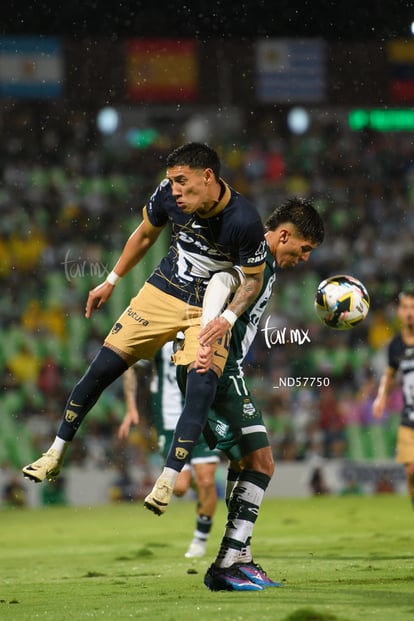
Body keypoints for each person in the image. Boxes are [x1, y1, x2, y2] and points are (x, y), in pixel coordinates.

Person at [22, 142, 266, 510]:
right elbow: (145, 235)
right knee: (101, 369)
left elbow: (252, 281)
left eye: (182, 182)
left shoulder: (244, 219)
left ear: (208, 177)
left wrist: (228, 318)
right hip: (163, 291)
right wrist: (111, 280)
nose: (175, 191)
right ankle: (55, 453)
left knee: (200, 388)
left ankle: (166, 480)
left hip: (209, 308)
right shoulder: (167, 196)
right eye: (171, 182)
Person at [177, 197, 324, 590]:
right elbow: (212, 283)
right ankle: (226, 563)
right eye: (304, 248)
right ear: (284, 235)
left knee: (246, 464)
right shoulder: (250, 257)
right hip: (217, 368)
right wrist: (203, 344)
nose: (305, 258)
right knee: (262, 462)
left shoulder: (267, 264)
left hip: (228, 369)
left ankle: (240, 558)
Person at [119, 340, 220, 558]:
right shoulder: (163, 329)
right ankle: (196, 480)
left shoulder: (205, 326)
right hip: (169, 420)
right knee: (181, 487)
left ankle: (200, 540)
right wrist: (131, 406)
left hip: (204, 416)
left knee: (207, 480)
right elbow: (131, 365)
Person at [372, 288, 414, 508]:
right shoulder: (396, 345)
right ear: (399, 311)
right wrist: (381, 398)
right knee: (410, 471)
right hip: (409, 416)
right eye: (405, 307)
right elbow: (389, 374)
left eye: (413, 307)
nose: (409, 313)